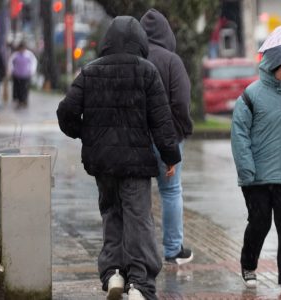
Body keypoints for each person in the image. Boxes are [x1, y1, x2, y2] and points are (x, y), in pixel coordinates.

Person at [57, 16, 181, 300]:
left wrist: (88, 134)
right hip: (136, 165)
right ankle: (140, 283)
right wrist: (170, 156)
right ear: (140, 41)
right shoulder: (147, 72)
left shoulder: (90, 72)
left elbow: (65, 113)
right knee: (138, 220)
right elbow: (161, 121)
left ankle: (113, 273)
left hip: (102, 163)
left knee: (111, 215)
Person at [230, 43, 281, 293]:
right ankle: (248, 263)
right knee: (260, 221)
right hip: (256, 176)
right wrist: (247, 170)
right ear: (271, 66)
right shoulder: (250, 95)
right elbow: (239, 134)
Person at [140, 8, 194, 265]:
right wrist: (181, 130)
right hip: (167, 137)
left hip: (137, 137)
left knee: (137, 194)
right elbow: (181, 102)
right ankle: (173, 249)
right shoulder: (172, 61)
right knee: (171, 191)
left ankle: (140, 249)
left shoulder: (134, 58)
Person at [7, 41, 37, 108]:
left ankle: (24, 100)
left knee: (25, 89)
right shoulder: (15, 55)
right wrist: (11, 70)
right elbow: (10, 63)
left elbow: (34, 62)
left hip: (25, 75)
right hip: (17, 75)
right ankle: (19, 101)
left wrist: (32, 70)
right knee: (18, 88)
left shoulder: (29, 55)